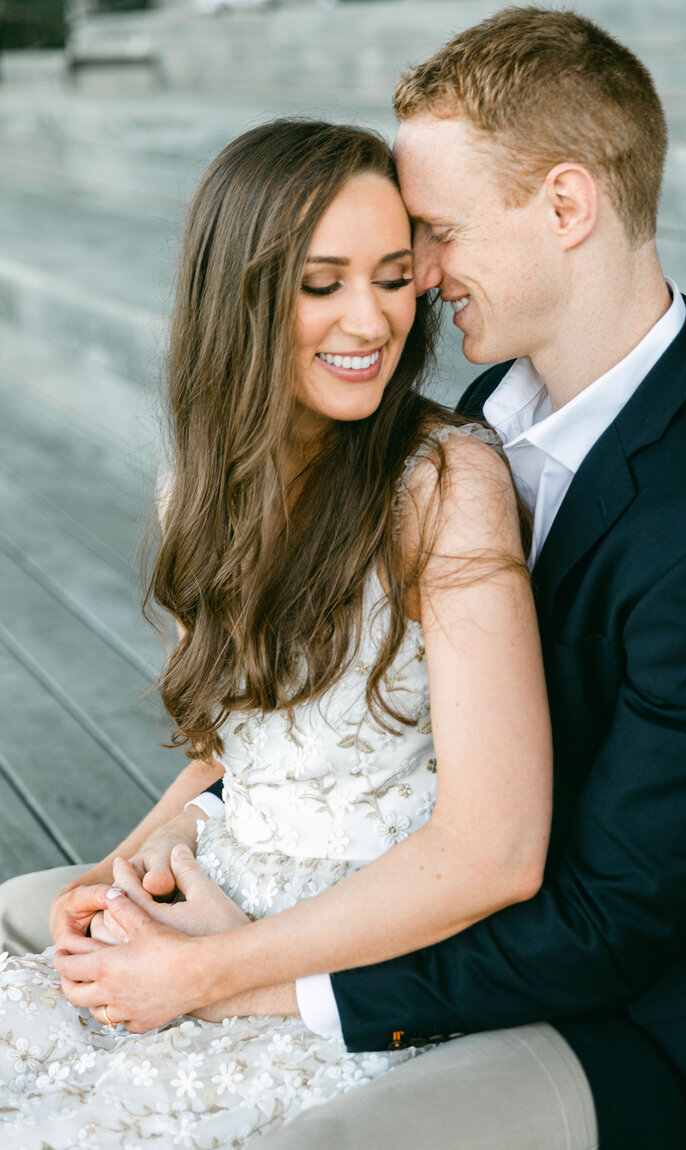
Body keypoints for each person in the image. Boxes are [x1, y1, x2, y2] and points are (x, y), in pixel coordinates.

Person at [2, 7, 686, 1149]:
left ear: (566, 207)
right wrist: (158, 868)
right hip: (393, 899)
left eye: (429, 234)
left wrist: (230, 976)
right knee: (38, 922)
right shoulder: (484, 414)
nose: (414, 282)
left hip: (636, 1020)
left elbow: (599, 920)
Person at [0, 118, 554, 1146]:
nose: (371, 318)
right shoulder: (200, 487)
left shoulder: (445, 483)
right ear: (240, 293)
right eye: (321, 282)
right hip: (218, 897)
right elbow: (231, 753)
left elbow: (495, 851)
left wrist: (204, 969)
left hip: (349, 962)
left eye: (393, 276)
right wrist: (116, 869)